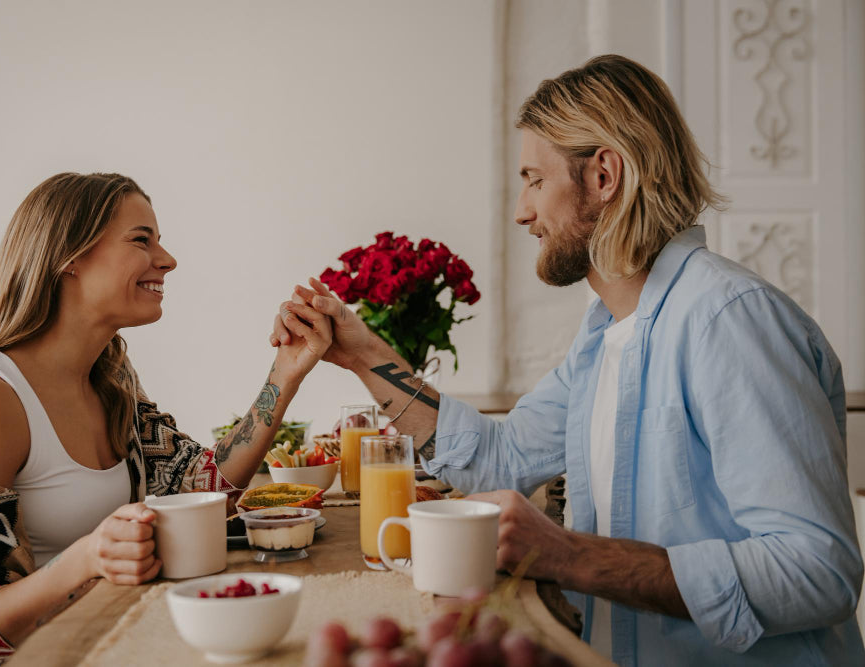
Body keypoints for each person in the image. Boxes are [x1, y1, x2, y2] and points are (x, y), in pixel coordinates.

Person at [272, 55, 864, 665]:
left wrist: (568, 555)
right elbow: (500, 459)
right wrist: (361, 350)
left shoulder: (728, 321)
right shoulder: (604, 331)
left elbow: (819, 573)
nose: (522, 212)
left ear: (603, 174)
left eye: (534, 178)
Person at [0, 172, 332, 665]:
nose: (168, 259)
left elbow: (203, 489)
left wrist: (286, 373)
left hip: (83, 645)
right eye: (141, 240)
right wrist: (86, 559)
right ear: (69, 257)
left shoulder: (110, 377)